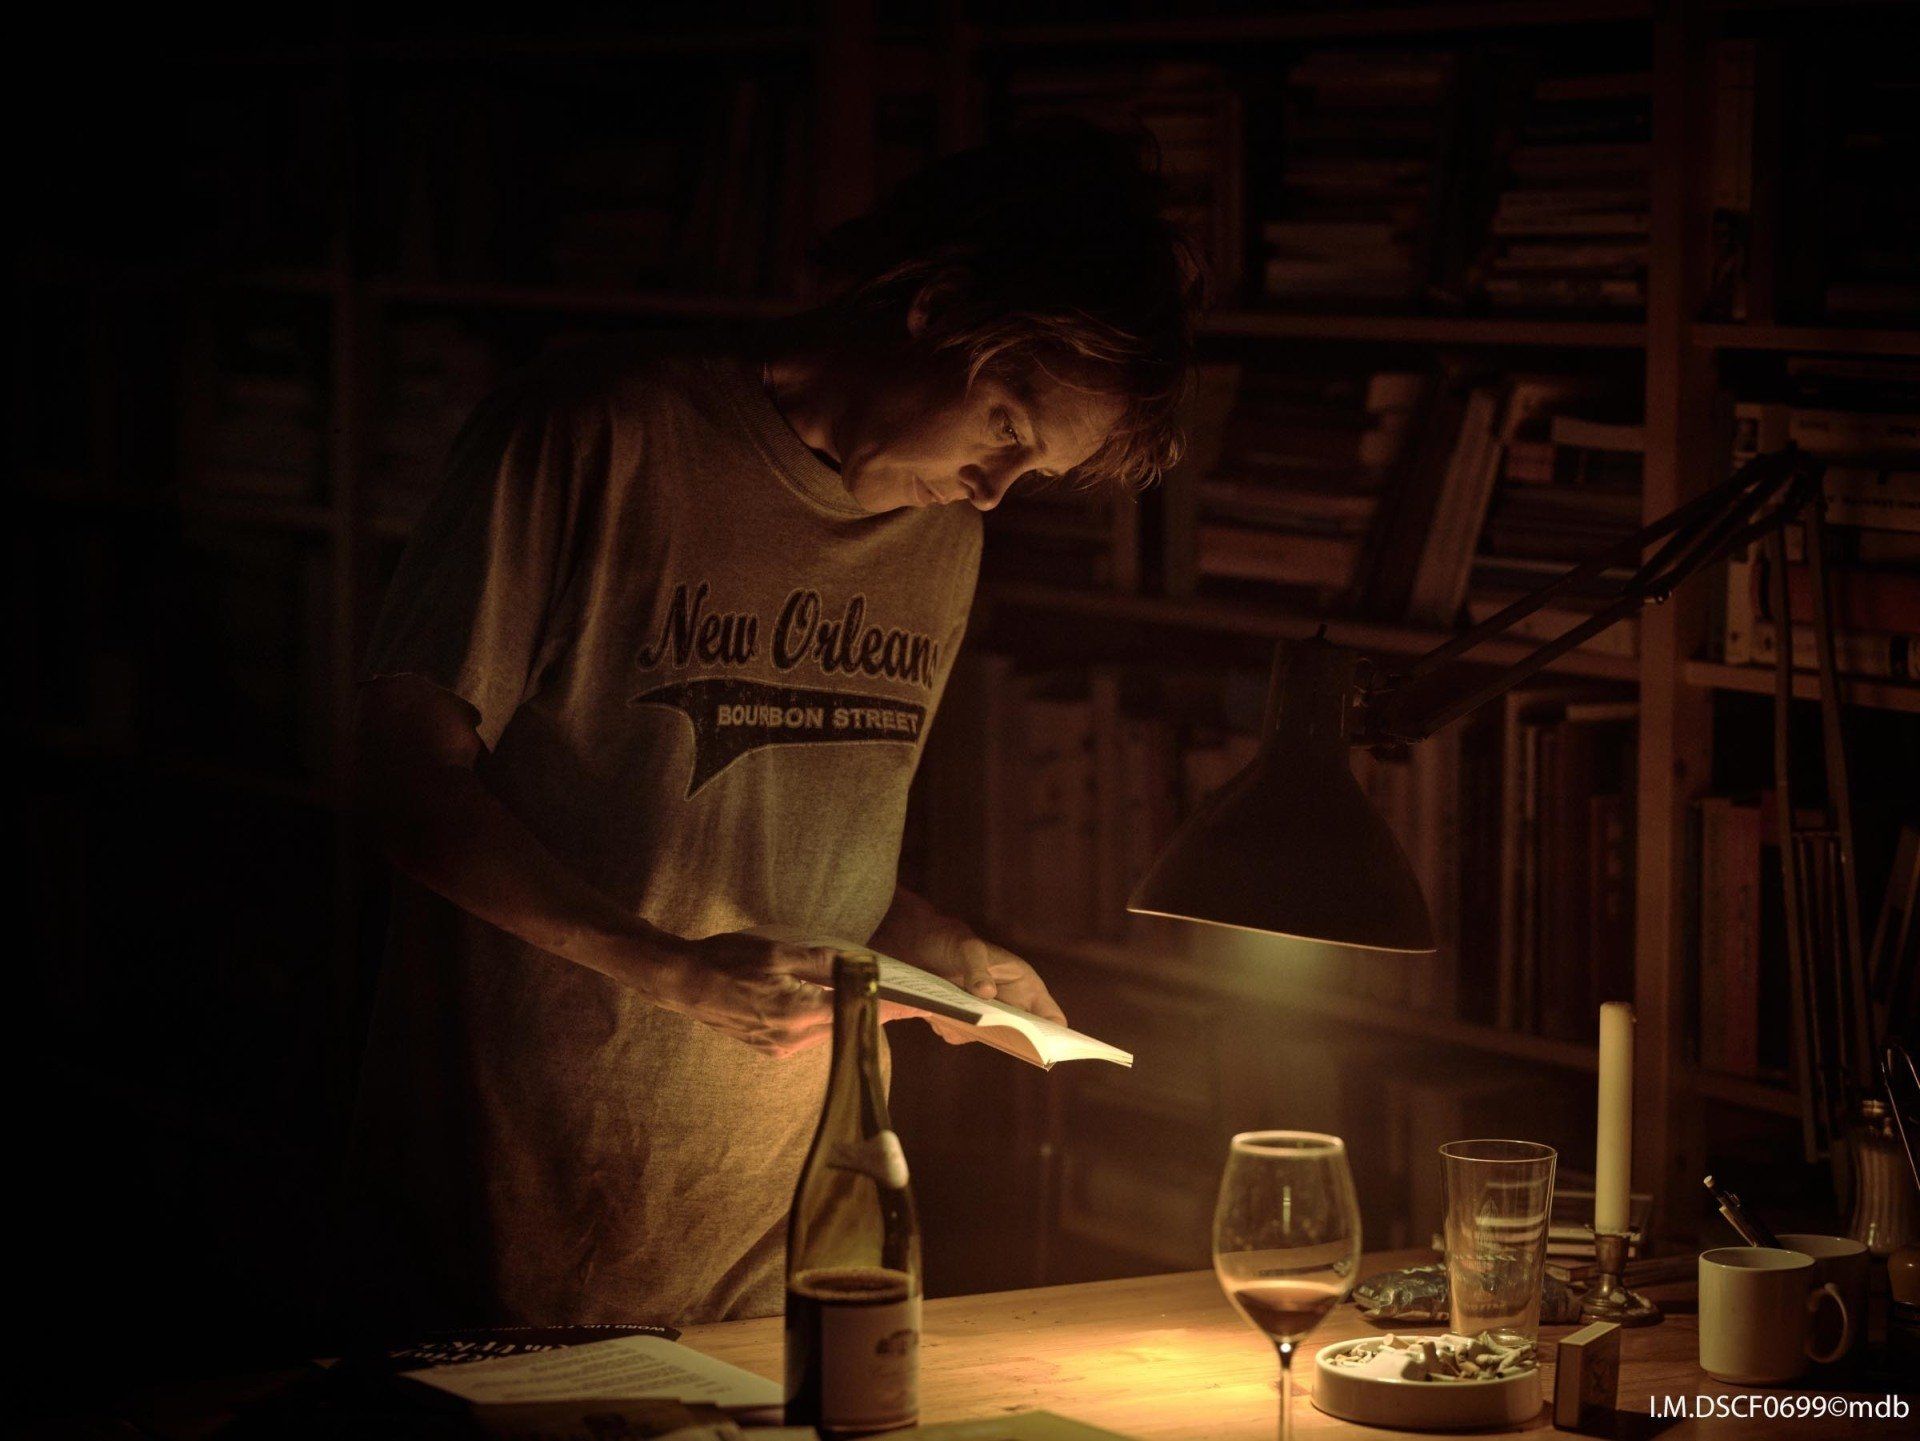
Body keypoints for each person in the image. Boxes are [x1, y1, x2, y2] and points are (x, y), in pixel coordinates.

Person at [337, 121, 1197, 1336]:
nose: (996, 489)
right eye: (1007, 424)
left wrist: (942, 949)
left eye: (1035, 471)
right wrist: (672, 971)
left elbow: (789, 846)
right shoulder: (600, 434)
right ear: (936, 308)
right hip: (516, 1204)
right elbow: (404, 785)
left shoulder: (943, 538)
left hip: (788, 1234)